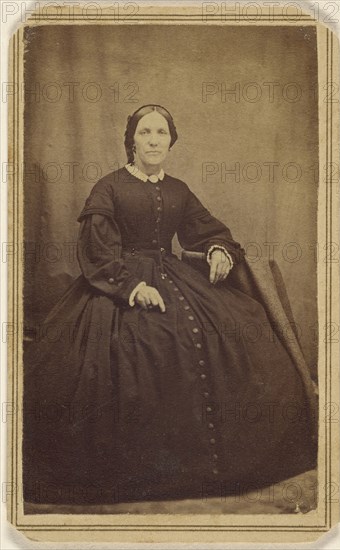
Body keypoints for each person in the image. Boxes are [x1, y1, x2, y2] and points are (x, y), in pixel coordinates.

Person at [23, 104, 317, 506]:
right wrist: (131, 287)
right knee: (140, 349)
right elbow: (96, 251)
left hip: (176, 275)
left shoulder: (178, 188)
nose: (154, 140)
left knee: (237, 329)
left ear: (171, 140)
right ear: (131, 141)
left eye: (161, 133)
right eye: (145, 133)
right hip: (117, 285)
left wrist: (217, 250)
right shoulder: (107, 187)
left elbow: (208, 229)